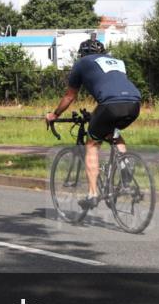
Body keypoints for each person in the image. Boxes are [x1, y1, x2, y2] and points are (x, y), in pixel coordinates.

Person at [45, 39, 142, 211]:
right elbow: (111, 85)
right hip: (134, 103)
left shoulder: (81, 63)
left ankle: (93, 194)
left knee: (91, 143)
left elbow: (69, 96)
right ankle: (125, 165)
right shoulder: (118, 62)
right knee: (113, 133)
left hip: (109, 105)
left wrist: (55, 114)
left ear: (82, 53)